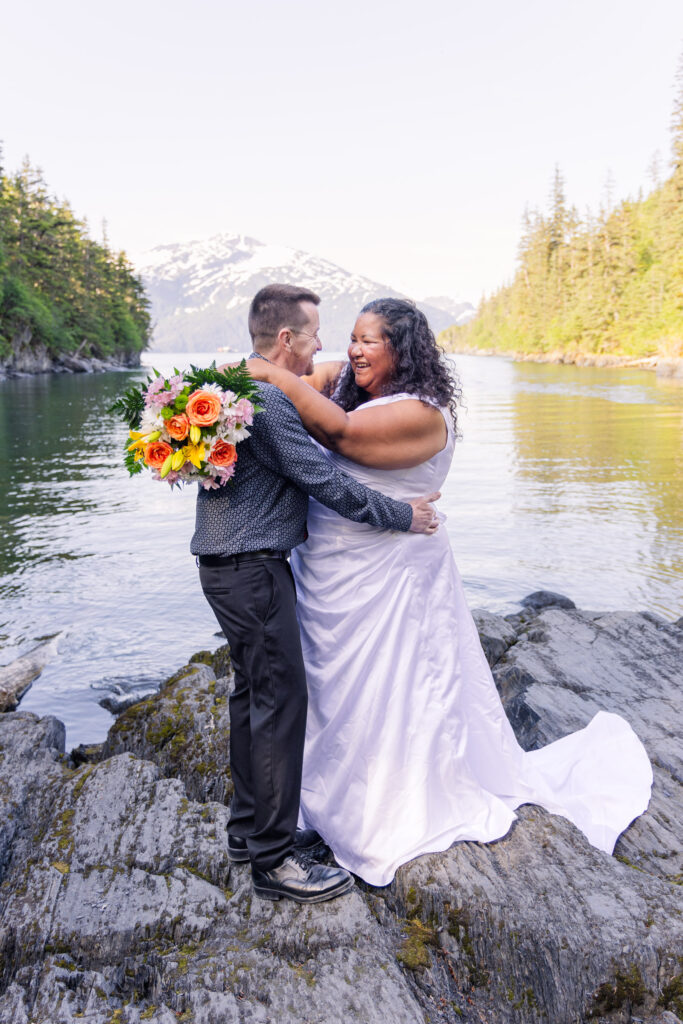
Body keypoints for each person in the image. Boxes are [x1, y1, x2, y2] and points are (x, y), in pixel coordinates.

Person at [245, 297, 653, 887]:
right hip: (330, 571)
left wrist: (268, 372)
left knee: (390, 687)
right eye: (351, 339)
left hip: (390, 574)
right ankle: (329, 801)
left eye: (369, 342)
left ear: (401, 351)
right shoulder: (350, 379)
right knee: (335, 689)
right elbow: (311, 373)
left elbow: (340, 433)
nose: (354, 350)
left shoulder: (421, 413)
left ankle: (392, 804)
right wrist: (267, 366)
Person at [192, 284, 440, 904]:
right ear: (286, 341)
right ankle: (274, 862)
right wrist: (402, 517)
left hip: (226, 567)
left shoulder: (234, 395)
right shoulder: (270, 407)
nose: (325, 345)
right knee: (279, 707)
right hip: (254, 571)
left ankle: (248, 834)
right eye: (315, 335)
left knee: (252, 698)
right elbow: (327, 479)